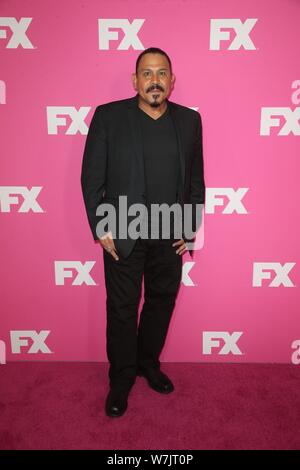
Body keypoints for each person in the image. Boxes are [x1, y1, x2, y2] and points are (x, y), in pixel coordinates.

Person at [81, 47, 205, 417]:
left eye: (162, 73)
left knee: (160, 304)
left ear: (172, 81)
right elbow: (91, 178)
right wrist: (100, 226)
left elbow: (196, 182)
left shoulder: (189, 122)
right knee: (121, 310)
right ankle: (121, 379)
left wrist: (190, 229)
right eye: (147, 74)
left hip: (170, 236)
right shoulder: (108, 117)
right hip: (123, 234)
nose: (155, 80)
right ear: (135, 81)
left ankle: (148, 364)